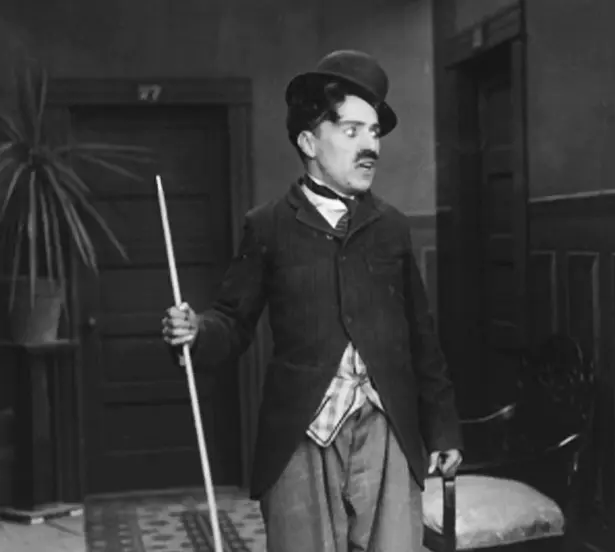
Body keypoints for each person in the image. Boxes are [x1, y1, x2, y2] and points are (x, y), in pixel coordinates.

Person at [160, 50, 463, 552]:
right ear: (309, 142)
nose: (370, 146)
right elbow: (232, 321)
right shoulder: (268, 226)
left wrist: (443, 428)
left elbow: (421, 337)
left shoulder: (391, 227)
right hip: (301, 436)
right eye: (352, 130)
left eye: (374, 132)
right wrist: (195, 331)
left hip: (388, 432)